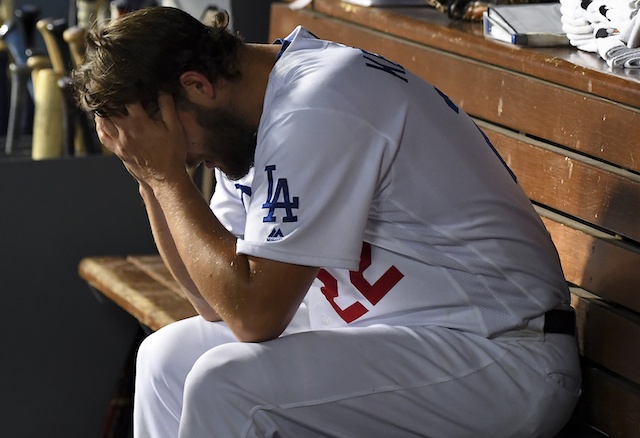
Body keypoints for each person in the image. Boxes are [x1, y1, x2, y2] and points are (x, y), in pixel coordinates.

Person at [72, 6, 581, 437]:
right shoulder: (245, 120)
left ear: (198, 85)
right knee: (165, 360)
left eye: (175, 142)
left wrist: (165, 180)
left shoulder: (317, 102)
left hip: (501, 352)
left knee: (225, 384)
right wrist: (148, 178)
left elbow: (254, 316)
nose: (184, 158)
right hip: (398, 341)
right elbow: (213, 304)